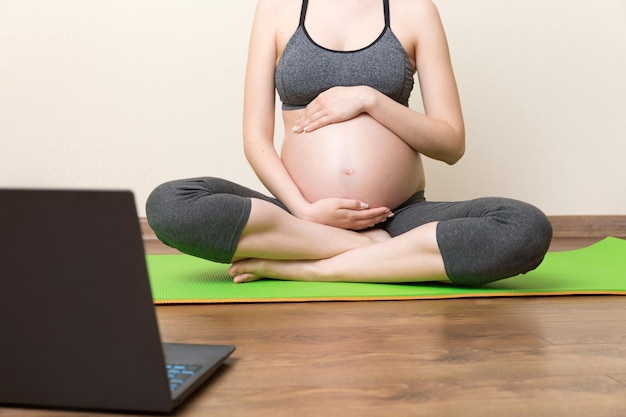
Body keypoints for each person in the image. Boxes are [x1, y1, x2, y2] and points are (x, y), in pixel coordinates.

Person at [146, 0, 553, 286]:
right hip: (299, 215)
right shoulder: (277, 8)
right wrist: (305, 211)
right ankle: (368, 252)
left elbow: (451, 143)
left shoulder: (415, 10)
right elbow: (255, 139)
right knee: (169, 204)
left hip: (397, 217)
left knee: (525, 228)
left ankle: (311, 266)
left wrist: (369, 98)